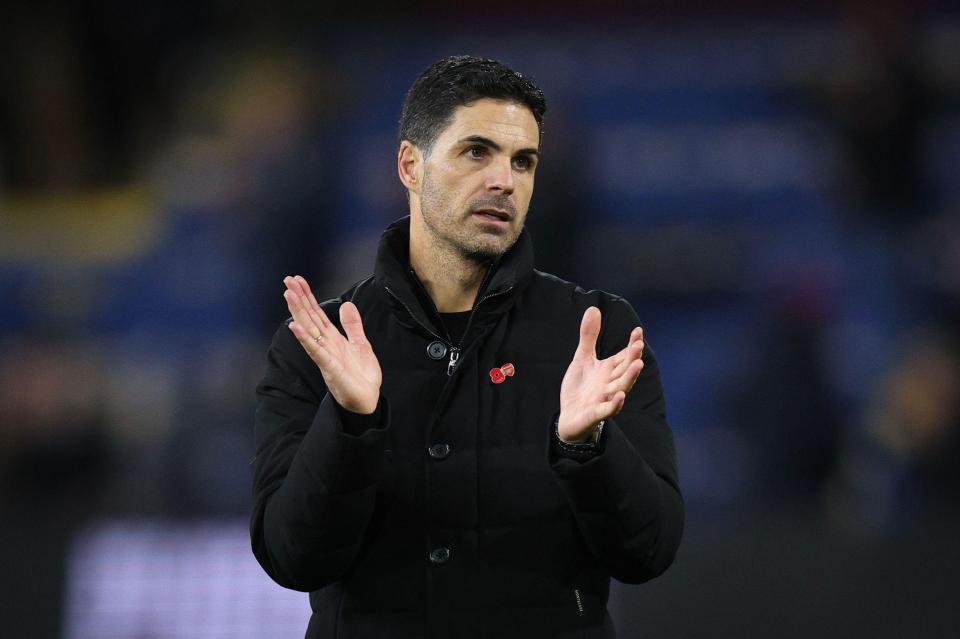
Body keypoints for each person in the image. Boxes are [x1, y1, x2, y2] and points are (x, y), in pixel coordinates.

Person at [250, 55, 683, 639]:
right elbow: (291, 558)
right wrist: (351, 426)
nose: (505, 180)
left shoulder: (596, 331)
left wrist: (587, 449)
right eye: (476, 152)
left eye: (523, 161)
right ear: (410, 165)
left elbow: (649, 553)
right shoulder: (319, 345)